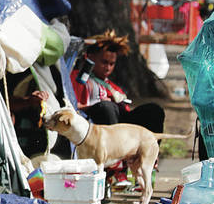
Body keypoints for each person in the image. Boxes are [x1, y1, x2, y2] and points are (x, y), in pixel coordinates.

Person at [69, 29, 165, 187]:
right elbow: (73, 108)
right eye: (104, 62)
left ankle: (146, 158)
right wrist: (102, 104)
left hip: (118, 126)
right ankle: (115, 171)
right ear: (89, 58)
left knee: (154, 111)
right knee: (107, 108)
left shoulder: (112, 86)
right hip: (94, 128)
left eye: (111, 64)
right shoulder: (77, 78)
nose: (108, 68)